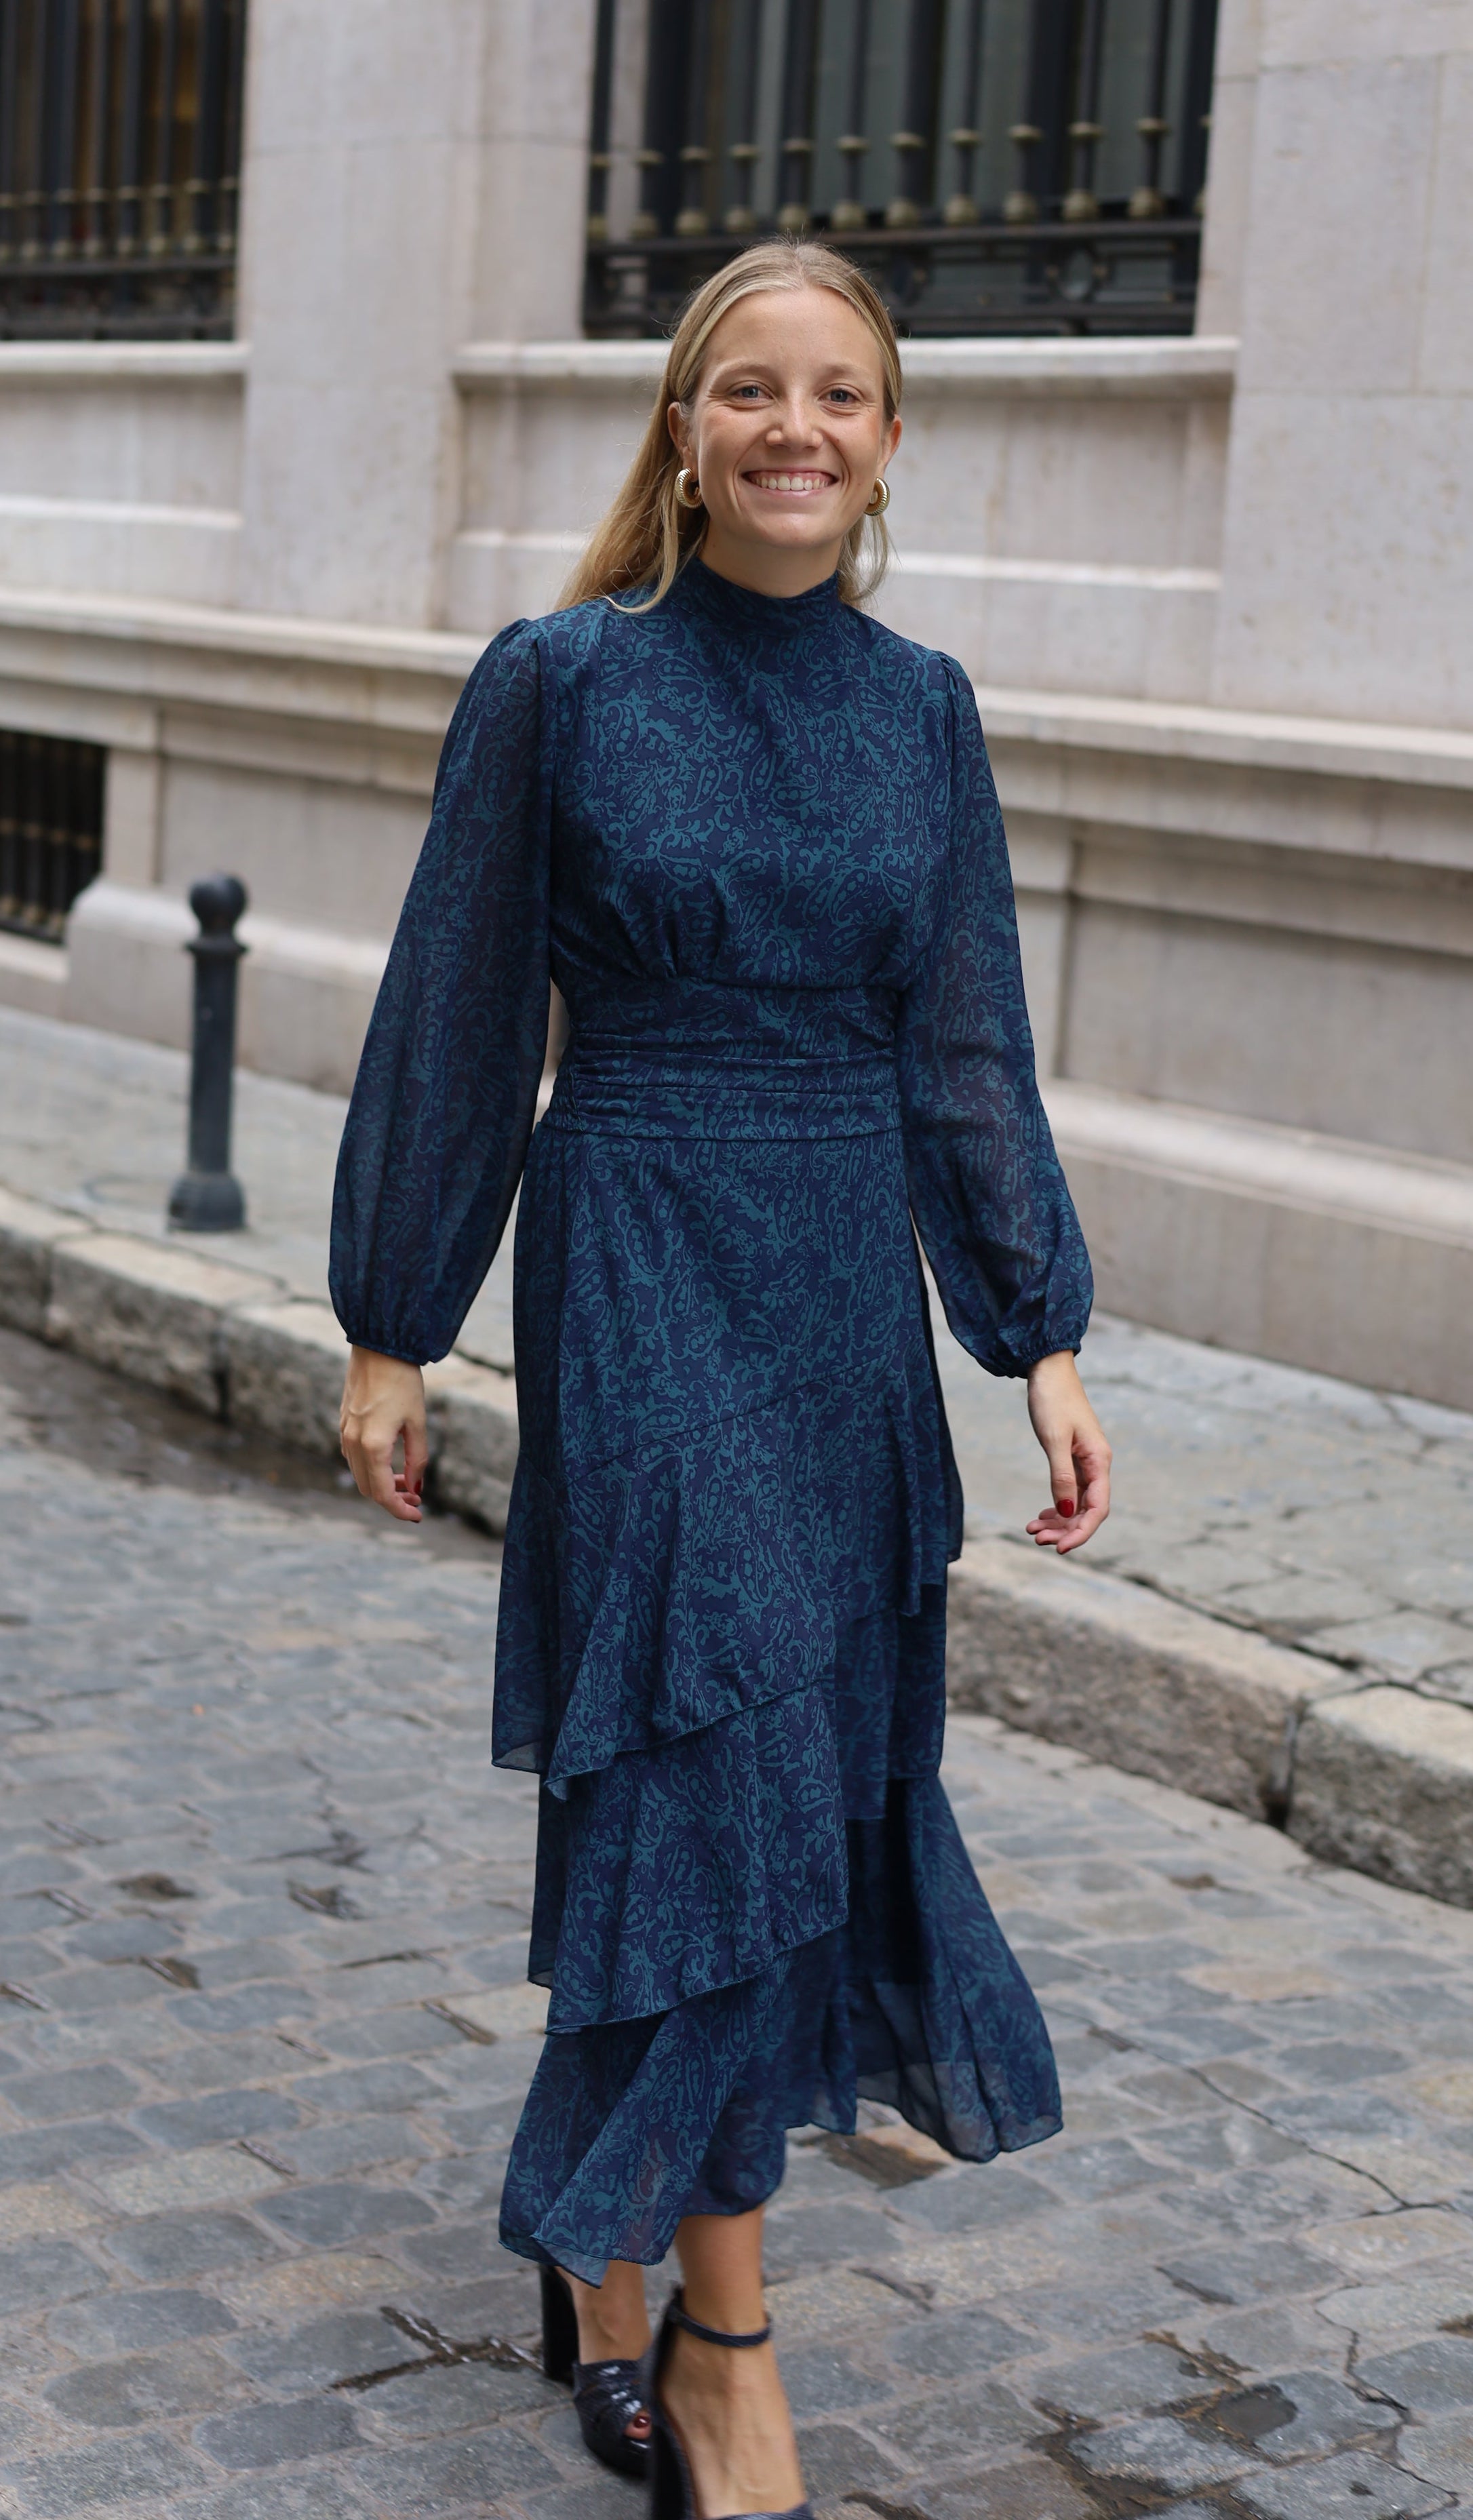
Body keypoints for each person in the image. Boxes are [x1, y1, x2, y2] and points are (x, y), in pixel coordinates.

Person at [332, 238, 1110, 2520]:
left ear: (887, 440)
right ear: (682, 431)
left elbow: (964, 1042)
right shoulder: (561, 681)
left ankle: (602, 2252)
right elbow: (457, 1010)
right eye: (748, 388)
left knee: (768, 1767)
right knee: (714, 1755)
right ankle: (726, 2354)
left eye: (836, 394)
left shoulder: (922, 709)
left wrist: (1039, 1331)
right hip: (642, 1257)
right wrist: (393, 1318)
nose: (794, 427)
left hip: (839, 1295)